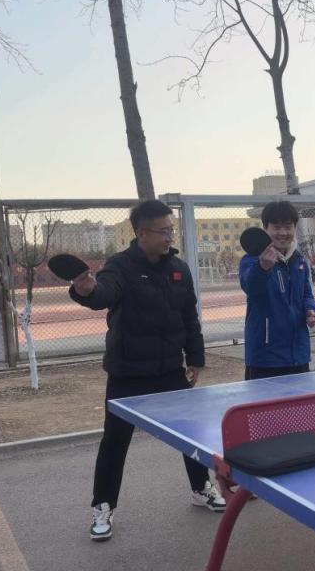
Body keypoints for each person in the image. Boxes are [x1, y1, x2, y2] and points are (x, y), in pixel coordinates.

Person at [70, 200, 225, 543]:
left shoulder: (179, 269)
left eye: (171, 230)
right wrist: (86, 291)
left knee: (190, 434)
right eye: (163, 231)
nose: (169, 236)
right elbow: (103, 293)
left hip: (170, 369)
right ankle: (103, 506)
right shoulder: (120, 266)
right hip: (128, 372)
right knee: (115, 442)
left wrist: (195, 359)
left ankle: (201, 487)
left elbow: (189, 317)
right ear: (141, 233)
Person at [240, 201, 315, 380]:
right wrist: (262, 268)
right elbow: (250, 287)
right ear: (265, 228)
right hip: (265, 359)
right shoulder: (252, 260)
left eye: (288, 227)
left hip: (298, 355)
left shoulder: (300, 261)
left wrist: (311, 310)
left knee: (302, 399)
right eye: (276, 227)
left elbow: (306, 293)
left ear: (294, 228)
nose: (283, 233)